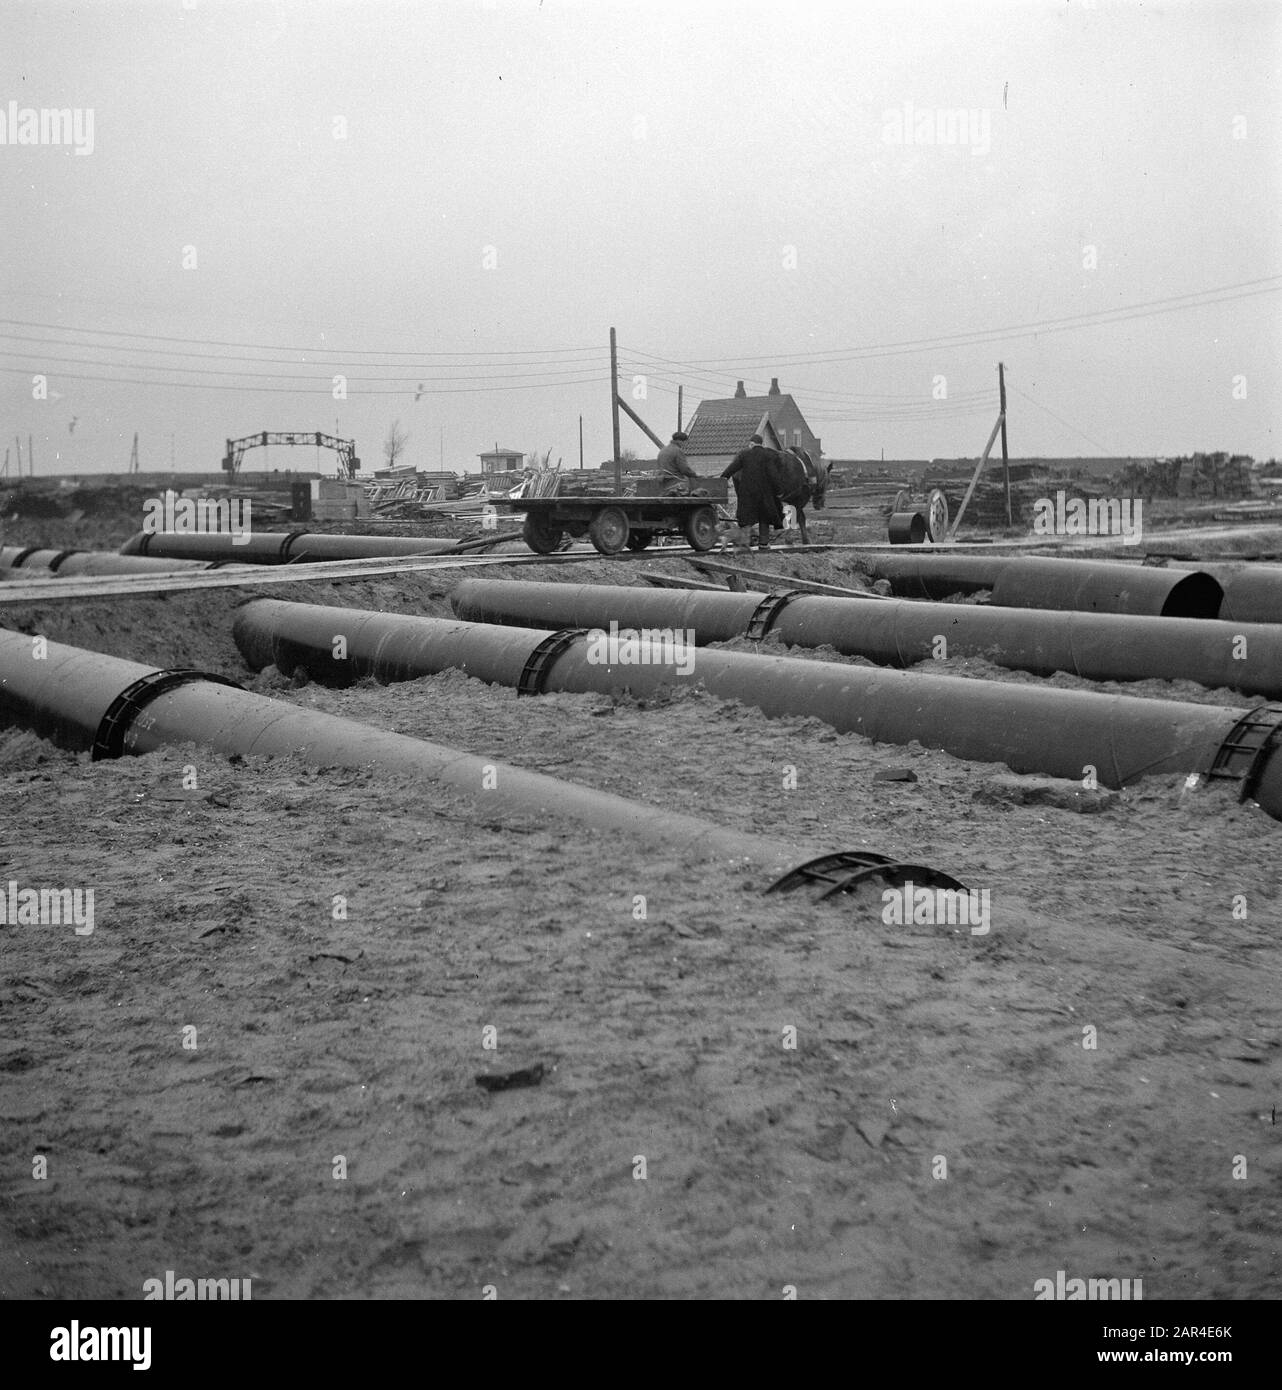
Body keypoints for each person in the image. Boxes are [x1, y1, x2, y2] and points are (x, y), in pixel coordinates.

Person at [721, 433, 784, 551]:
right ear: (762, 444)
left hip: (747, 492)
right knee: (764, 517)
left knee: (746, 516)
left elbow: (732, 468)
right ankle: (764, 543)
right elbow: (773, 474)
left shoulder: (744, 454)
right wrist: (779, 490)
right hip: (764, 492)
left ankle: (746, 542)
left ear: (751, 444)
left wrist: (723, 478)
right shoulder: (768, 455)